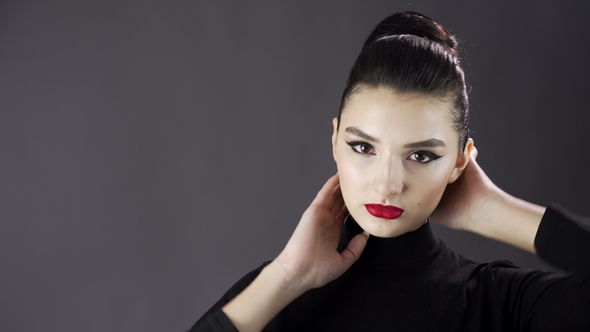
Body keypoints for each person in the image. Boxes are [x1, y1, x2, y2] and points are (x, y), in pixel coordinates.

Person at [190, 11, 590, 331]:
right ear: (335, 140)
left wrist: (492, 210)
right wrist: (287, 278)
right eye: (363, 147)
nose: (387, 184)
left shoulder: (495, 301)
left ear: (460, 161)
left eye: (421, 156)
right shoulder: (276, 295)